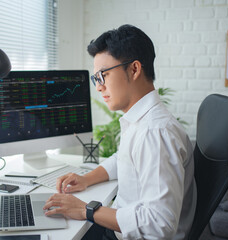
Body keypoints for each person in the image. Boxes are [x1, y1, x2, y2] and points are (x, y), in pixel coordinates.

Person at [43, 24, 197, 240]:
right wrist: (86, 179)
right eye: (95, 78)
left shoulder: (155, 132)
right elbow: (124, 159)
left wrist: (84, 210)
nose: (98, 86)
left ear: (134, 69)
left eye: (102, 75)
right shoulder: (141, 121)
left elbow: (158, 224)